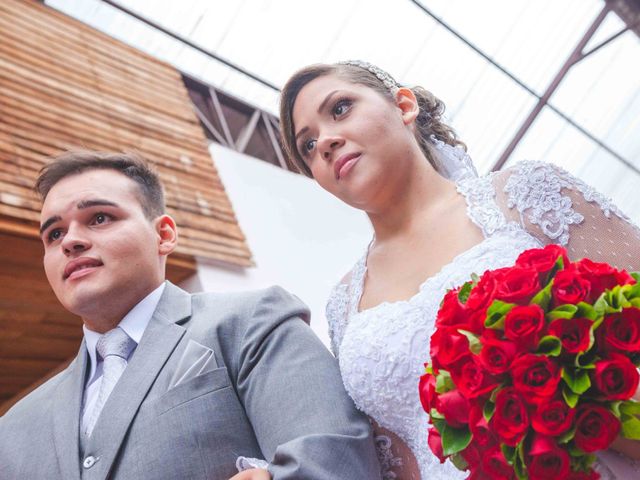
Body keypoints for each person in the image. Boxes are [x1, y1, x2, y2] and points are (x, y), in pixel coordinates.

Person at [279, 60, 640, 479]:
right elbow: (396, 463)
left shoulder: (525, 194)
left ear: (404, 106)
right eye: (308, 146)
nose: (325, 141)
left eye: (340, 109)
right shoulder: (343, 307)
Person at [0, 151, 381, 480]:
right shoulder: (13, 428)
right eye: (53, 235)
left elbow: (332, 463)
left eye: (99, 218)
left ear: (163, 234)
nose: (71, 241)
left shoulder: (251, 323)